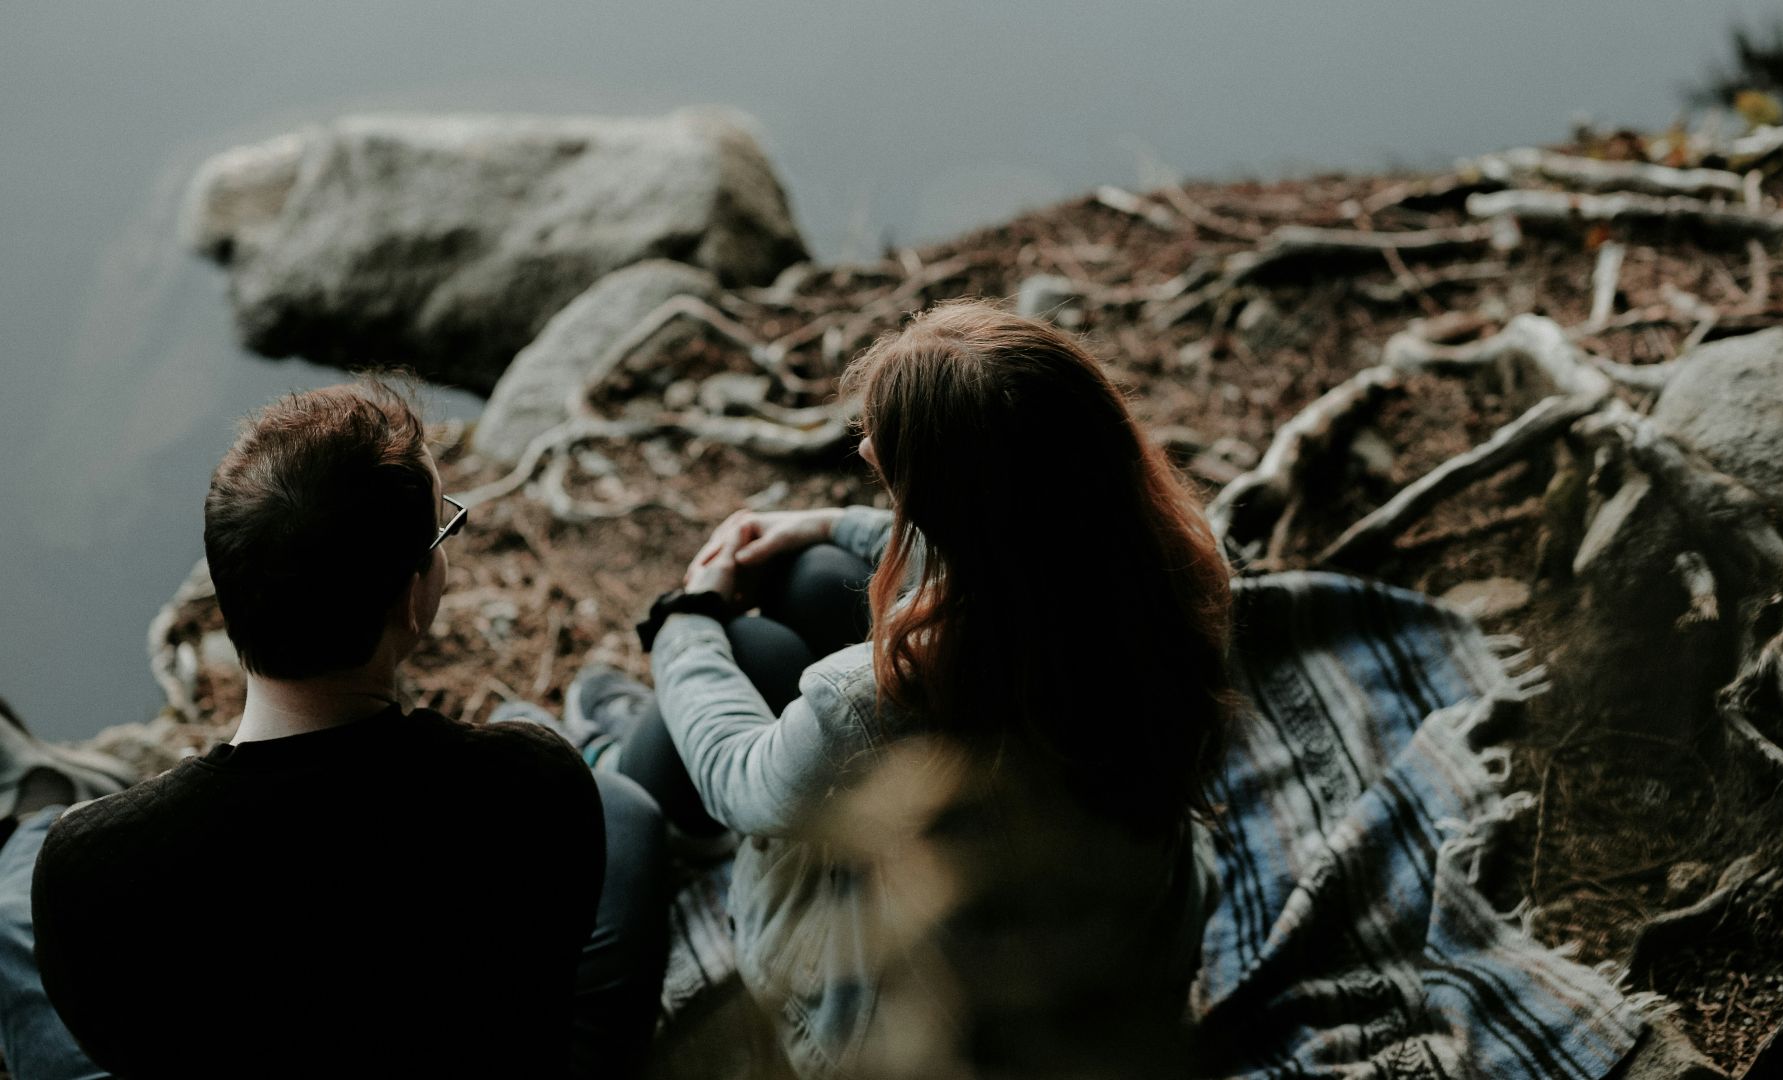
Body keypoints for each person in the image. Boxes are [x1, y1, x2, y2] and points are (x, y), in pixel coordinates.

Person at [607, 300, 1234, 1079]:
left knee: (746, 651)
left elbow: (741, 779)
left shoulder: (880, 696)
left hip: (924, 1034)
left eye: (883, 447)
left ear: (946, 497)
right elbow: (1019, 542)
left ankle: (625, 780)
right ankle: (636, 747)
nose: (865, 445)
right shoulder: (1179, 581)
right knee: (816, 577)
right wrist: (826, 523)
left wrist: (687, 617)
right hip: (1122, 965)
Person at [11, 380, 671, 1080]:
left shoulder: (87, 869)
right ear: (413, 598)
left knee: (14, 893)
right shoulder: (530, 785)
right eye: (442, 532)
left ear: (229, 599)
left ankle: (21, 797)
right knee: (623, 809)